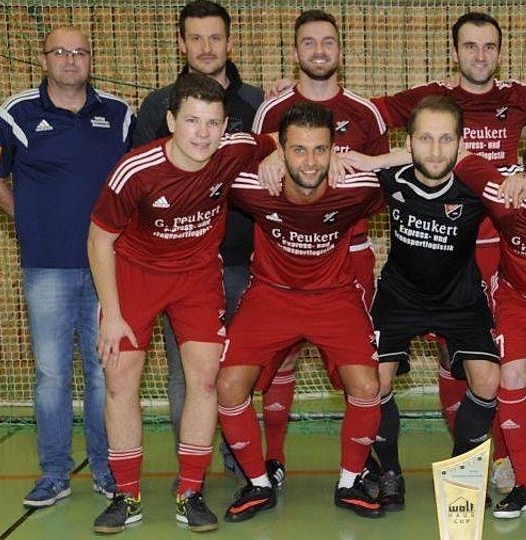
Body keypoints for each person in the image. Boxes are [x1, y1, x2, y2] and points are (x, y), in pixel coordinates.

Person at [369, 11, 526, 491]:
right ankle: (402, 465)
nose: (480, 55)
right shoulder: (429, 99)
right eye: (470, 46)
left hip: (494, 241)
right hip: (431, 244)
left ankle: (482, 464)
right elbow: (365, 113)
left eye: (489, 46)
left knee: (486, 360)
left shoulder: (520, 97)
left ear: (500, 52)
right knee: (440, 358)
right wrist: (296, 100)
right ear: (454, 52)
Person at [88, 73, 276, 534]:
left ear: (225, 126)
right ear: (171, 121)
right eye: (192, 121)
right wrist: (111, 314)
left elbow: (278, 139)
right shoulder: (136, 170)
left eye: (212, 123)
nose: (202, 133)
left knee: (206, 378)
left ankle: (190, 491)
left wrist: (273, 156)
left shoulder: (233, 150)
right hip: (135, 276)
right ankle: (126, 495)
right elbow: (99, 239)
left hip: (196, 278)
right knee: (119, 379)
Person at [0, 25, 132, 508]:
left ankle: (107, 470)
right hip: (46, 268)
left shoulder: (119, 114)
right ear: (43, 59)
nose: (71, 59)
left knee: (104, 374)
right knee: (51, 376)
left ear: (91, 59)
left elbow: (137, 181)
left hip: (108, 270)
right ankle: (54, 474)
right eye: (61, 52)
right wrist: (30, 220)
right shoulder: (16, 113)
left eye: (80, 52)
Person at [216, 101, 386, 522]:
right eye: (298, 150)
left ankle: (350, 481)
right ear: (282, 149)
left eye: (320, 150)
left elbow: (427, 163)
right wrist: (264, 147)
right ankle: (258, 483)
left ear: (333, 150)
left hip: (334, 297)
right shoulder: (253, 185)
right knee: (229, 386)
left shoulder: (358, 187)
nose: (310, 162)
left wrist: (362, 160)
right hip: (271, 295)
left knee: (368, 385)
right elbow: (211, 147)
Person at [251, 9, 389, 487]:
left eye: (328, 42)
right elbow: (250, 170)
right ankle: (274, 458)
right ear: (295, 53)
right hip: (285, 257)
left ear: (340, 51)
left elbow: (383, 180)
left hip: (350, 255)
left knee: (358, 367)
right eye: (308, 42)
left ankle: (360, 463)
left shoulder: (365, 112)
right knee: (283, 358)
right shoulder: (271, 110)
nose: (319, 50)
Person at [133, 0, 262, 479]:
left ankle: (244, 465)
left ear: (230, 42)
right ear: (181, 44)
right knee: (186, 374)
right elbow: (140, 186)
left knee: (238, 370)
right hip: (178, 268)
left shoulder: (257, 104)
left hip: (243, 262)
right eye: (196, 38)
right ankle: (194, 475)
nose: (206, 47)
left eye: (215, 37)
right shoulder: (157, 107)